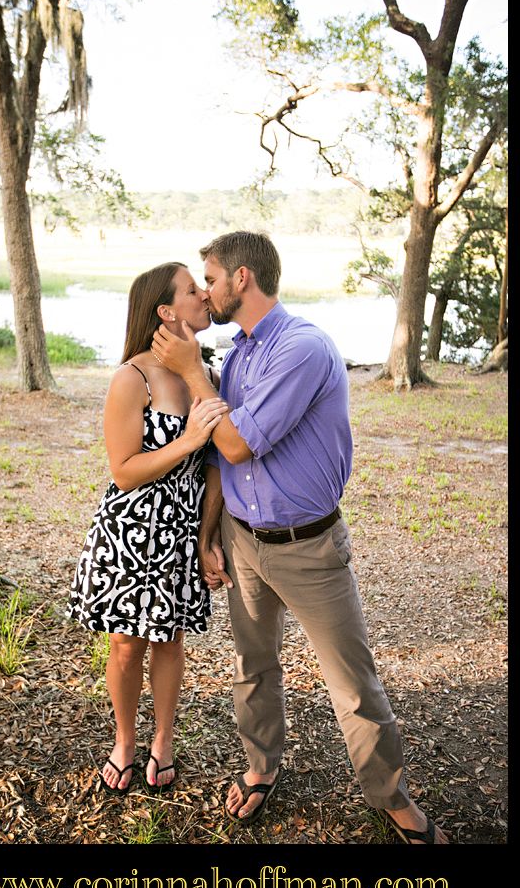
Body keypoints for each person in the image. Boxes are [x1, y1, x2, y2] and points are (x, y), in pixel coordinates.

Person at [151, 231, 449, 844]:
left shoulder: (305, 348)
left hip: (309, 548)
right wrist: (211, 535)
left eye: (211, 278)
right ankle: (261, 767)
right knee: (253, 666)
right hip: (243, 542)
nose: (206, 293)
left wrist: (189, 371)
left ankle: (392, 799)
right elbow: (219, 459)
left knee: (352, 684)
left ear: (242, 279)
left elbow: (235, 440)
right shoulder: (235, 357)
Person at [67, 262, 228, 795]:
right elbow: (123, 470)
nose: (204, 294)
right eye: (191, 290)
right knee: (127, 646)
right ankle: (125, 741)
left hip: (182, 528)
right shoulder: (131, 377)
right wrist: (184, 441)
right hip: (131, 530)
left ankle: (163, 741)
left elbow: (216, 466)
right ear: (165, 311)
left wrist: (207, 540)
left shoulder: (207, 374)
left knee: (169, 641)